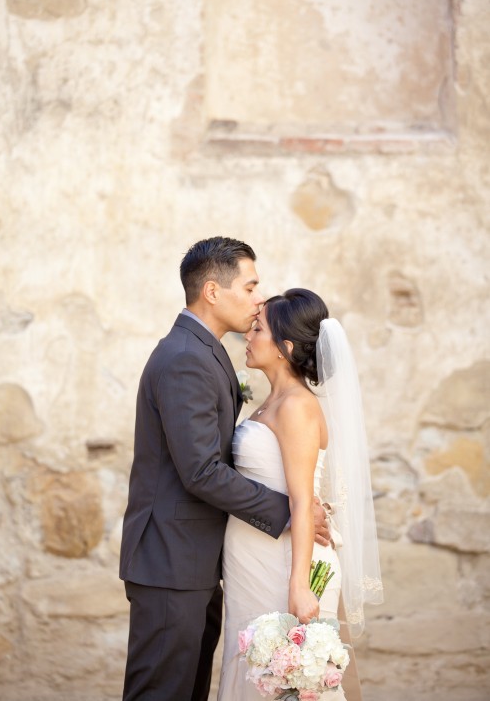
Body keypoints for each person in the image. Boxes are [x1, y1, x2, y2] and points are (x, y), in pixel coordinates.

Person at [119, 238, 330, 701]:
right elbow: (200, 471)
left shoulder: (205, 352)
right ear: (213, 292)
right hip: (171, 561)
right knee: (161, 691)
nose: (259, 300)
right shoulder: (185, 359)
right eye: (251, 286)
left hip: (198, 560)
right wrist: (291, 510)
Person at [218, 288, 383, 701]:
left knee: (286, 680)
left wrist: (299, 586)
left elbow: (301, 498)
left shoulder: (296, 406)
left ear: (285, 347)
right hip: (251, 562)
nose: (248, 336)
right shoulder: (267, 404)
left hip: (285, 565)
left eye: (258, 329)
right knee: (249, 674)